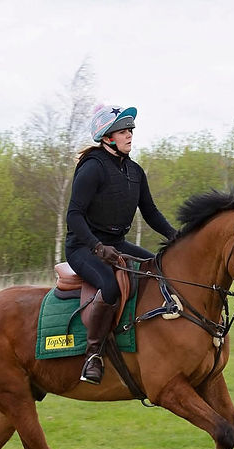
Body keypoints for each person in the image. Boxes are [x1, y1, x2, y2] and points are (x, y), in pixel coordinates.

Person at [65, 104, 177, 385]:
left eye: (130, 130)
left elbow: (150, 213)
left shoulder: (136, 172)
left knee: (157, 269)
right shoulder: (92, 168)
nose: (130, 135)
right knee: (110, 285)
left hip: (116, 243)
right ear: (107, 137)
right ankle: (94, 354)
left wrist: (176, 236)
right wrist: (96, 247)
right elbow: (74, 215)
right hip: (82, 247)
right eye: (123, 131)